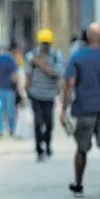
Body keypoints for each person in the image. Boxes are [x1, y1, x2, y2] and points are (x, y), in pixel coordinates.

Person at [60, 22, 100, 199]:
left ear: (87, 38)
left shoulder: (77, 57)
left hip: (84, 109)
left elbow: (70, 84)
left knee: (82, 149)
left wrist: (63, 109)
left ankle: (79, 185)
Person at [25, 29, 63, 161]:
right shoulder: (31, 56)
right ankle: (39, 149)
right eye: (43, 43)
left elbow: (57, 73)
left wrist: (40, 64)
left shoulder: (56, 56)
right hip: (36, 94)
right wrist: (26, 90)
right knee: (38, 123)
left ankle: (47, 144)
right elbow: (28, 74)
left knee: (49, 124)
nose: (45, 46)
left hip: (50, 94)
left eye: (47, 43)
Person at [0, 44, 20, 136]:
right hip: (9, 89)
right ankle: (12, 129)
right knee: (10, 110)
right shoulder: (10, 59)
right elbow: (16, 74)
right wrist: (18, 86)